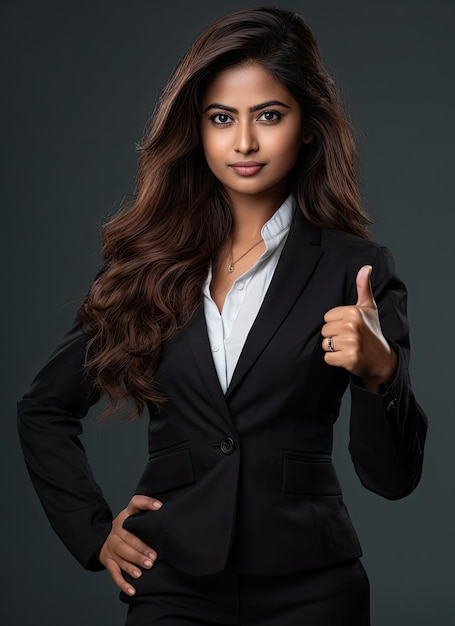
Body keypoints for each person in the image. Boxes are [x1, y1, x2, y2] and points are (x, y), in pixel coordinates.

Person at [17, 6, 427, 625]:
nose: (244, 142)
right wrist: (94, 532)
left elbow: (393, 479)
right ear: (197, 130)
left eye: (269, 115)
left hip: (312, 587)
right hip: (173, 583)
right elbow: (43, 407)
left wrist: (380, 374)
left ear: (307, 126)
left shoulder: (357, 269)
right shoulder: (148, 266)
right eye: (221, 118)